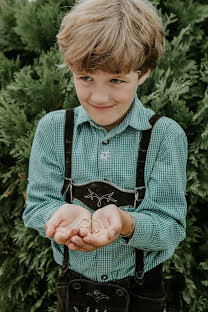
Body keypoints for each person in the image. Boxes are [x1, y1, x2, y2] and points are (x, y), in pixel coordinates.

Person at [22, 0, 188, 311]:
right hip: (72, 284)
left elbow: (171, 228)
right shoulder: (53, 129)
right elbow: (36, 206)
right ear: (71, 68)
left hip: (141, 290)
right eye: (85, 78)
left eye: (116, 80)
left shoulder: (165, 136)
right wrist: (59, 218)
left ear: (143, 73)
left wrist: (125, 223)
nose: (99, 97)